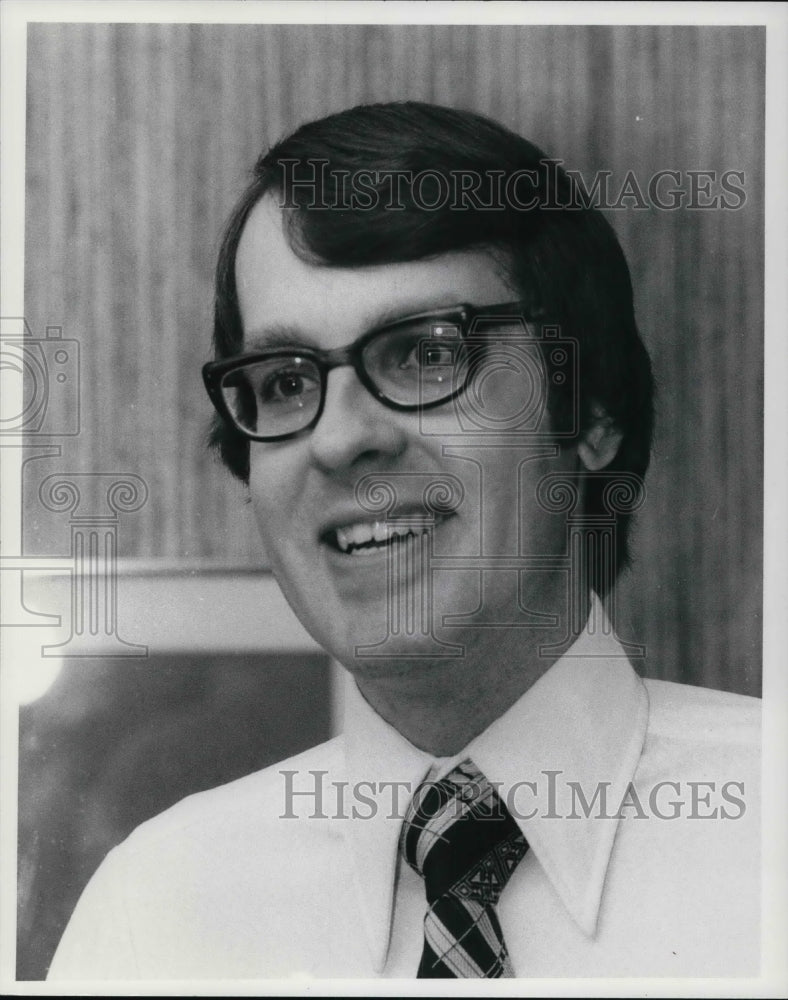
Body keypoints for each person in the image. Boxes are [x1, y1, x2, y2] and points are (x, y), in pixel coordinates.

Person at [48, 102, 760, 980]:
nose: (342, 438)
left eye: (427, 354)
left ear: (594, 413)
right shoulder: (151, 915)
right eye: (284, 380)